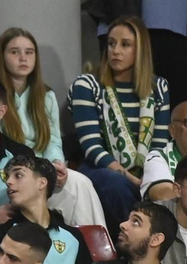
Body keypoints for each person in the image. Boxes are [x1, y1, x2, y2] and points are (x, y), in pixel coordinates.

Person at [0, 27, 106, 230]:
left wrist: (56, 166)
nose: (23, 58)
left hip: (41, 171)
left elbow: (53, 140)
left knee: (79, 183)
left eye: (29, 52)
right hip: (7, 174)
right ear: (2, 57)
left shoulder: (46, 96)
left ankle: (97, 254)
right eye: (14, 52)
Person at [72, 17, 172, 229]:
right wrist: (129, 177)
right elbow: (91, 147)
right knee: (116, 183)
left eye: (125, 45)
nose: (115, 51)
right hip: (99, 169)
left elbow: (159, 145)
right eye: (111, 43)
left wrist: (148, 177)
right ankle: (135, 240)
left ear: (141, 50)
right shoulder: (87, 85)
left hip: (145, 170)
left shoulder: (159, 87)